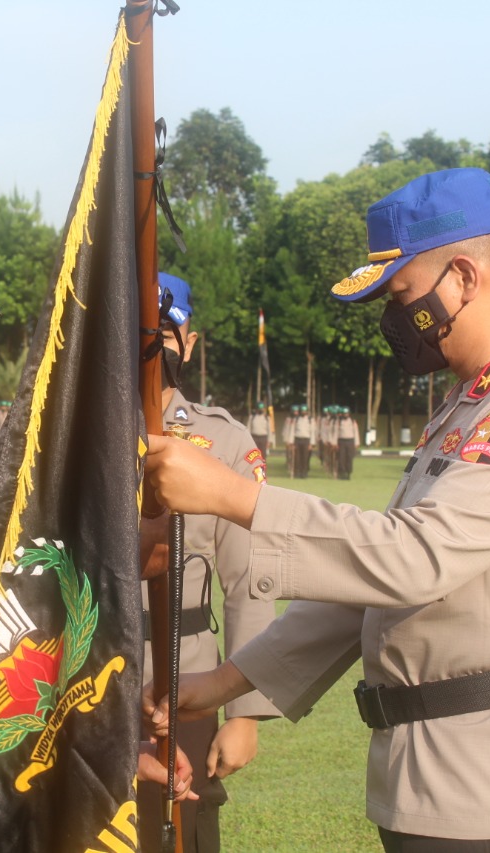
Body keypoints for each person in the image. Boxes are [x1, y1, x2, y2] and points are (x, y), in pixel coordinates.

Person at [144, 168, 490, 850]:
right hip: (444, 783)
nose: (393, 321)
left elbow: (412, 558)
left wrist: (232, 496)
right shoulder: (470, 405)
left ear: (462, 277)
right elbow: (367, 589)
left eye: (401, 296)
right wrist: (225, 679)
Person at [137, 273, 278, 853]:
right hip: (90, 673)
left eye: (168, 335)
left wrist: (244, 711)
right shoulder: (73, 437)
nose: (155, 349)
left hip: (188, 675)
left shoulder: (222, 441)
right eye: (142, 334)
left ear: (188, 346)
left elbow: (249, 582)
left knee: (183, 827)